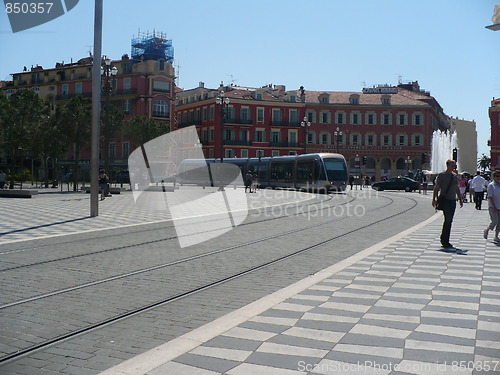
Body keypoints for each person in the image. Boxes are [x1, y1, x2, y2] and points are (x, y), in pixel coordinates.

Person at [432, 160, 463, 250]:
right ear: (447, 165)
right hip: (445, 200)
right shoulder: (441, 176)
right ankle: (445, 241)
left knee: (449, 221)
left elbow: (456, 188)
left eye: (454, 166)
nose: (454, 167)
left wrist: (460, 199)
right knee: (448, 219)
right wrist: (434, 199)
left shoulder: (454, 176)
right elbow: (436, 187)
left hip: (452, 201)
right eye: (452, 165)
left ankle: (445, 239)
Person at [484, 170, 500, 243]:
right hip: (493, 206)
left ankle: (496, 236)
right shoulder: (491, 185)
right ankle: (487, 229)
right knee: (495, 221)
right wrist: (494, 206)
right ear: (494, 177)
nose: (498, 177)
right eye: (497, 176)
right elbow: (490, 196)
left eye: (499, 176)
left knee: (499, 223)